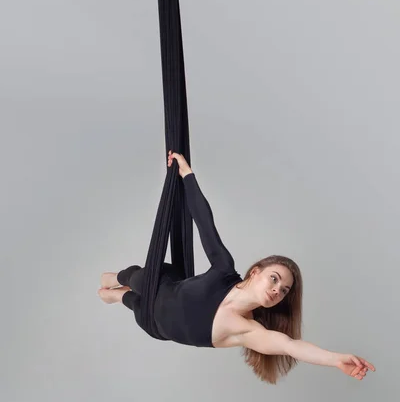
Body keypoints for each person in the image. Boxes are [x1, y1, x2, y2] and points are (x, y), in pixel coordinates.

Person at [98, 151, 375, 385]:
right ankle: (116, 278)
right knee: (138, 275)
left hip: (154, 323)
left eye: (284, 290)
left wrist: (336, 359)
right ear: (255, 272)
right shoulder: (223, 270)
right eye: (274, 279)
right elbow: (205, 224)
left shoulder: (246, 330)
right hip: (161, 283)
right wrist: (186, 175)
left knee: (130, 300)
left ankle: (116, 294)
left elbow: (291, 346)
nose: (277, 291)